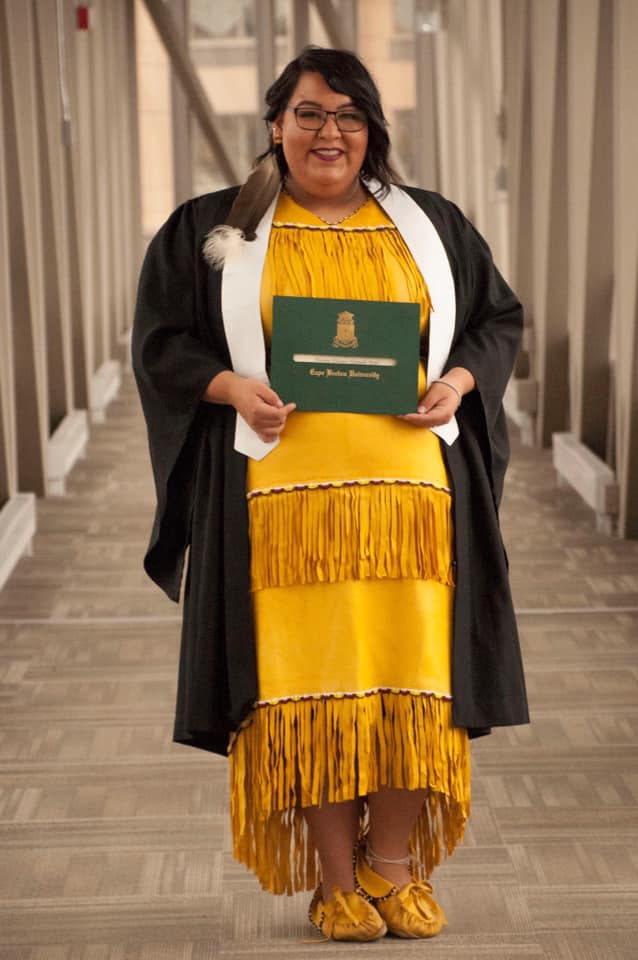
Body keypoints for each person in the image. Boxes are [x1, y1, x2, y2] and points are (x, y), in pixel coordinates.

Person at [133, 46, 528, 942]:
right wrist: (231, 388)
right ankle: (336, 882)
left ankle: (396, 873)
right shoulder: (212, 229)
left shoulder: (431, 226)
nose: (329, 132)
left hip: (412, 511)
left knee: (406, 685)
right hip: (282, 515)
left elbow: (495, 322)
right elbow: (162, 342)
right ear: (275, 124)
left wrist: (460, 383)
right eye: (309, 113)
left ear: (373, 132)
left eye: (349, 115)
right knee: (309, 693)